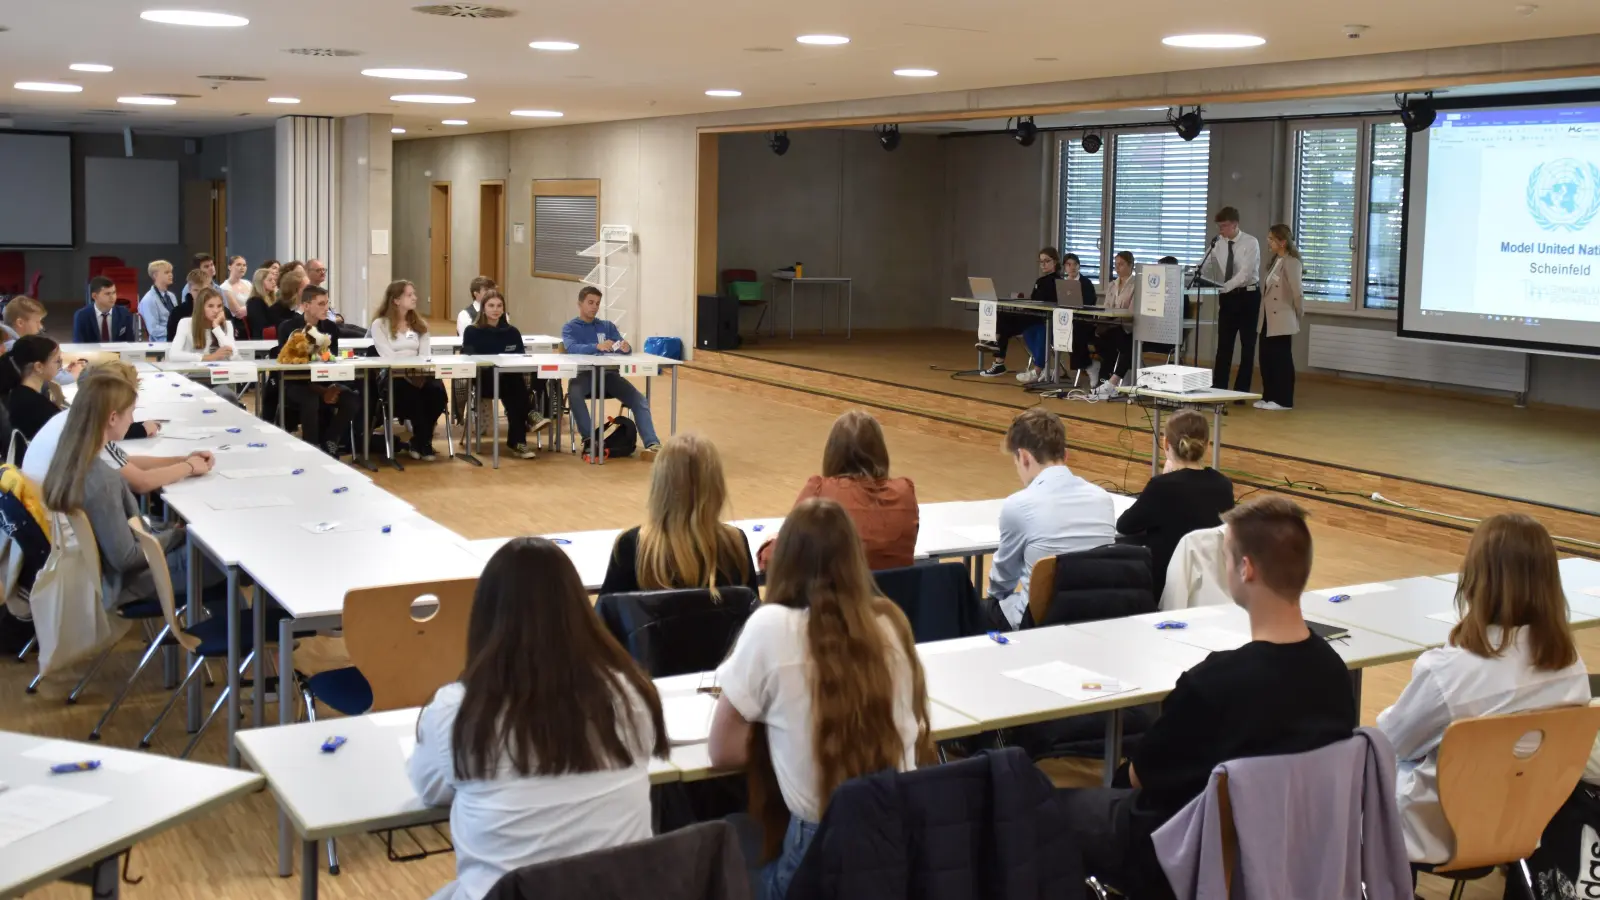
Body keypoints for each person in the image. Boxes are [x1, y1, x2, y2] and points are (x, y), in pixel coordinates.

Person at [1060, 496, 1358, 898]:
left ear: (1246, 569)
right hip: (1289, 855)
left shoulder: (1213, 684)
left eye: (1226, 556)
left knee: (1049, 809)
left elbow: (1139, 777)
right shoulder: (1336, 675)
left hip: (1191, 852)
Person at [410, 537, 668, 900]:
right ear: (578, 610)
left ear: (485, 617)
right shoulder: (630, 695)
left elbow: (429, 788)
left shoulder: (457, 712)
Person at [708, 498, 934, 899]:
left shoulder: (770, 626)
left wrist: (784, 738)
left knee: (719, 844)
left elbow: (722, 750)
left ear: (785, 562)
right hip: (899, 848)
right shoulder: (890, 624)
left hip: (816, 859)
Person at [1377, 513, 1588, 865]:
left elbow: (1393, 742)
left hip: (1433, 832)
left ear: (1476, 580)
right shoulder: (1571, 668)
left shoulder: (1450, 672)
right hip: (1522, 823)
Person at [40, 371, 217, 610]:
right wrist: (177, 535)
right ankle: (249, 634)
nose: (132, 419)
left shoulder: (74, 454)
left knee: (214, 546)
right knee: (227, 552)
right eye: (131, 413)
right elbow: (125, 557)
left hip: (115, 574)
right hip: (133, 581)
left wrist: (183, 461)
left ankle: (232, 637)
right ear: (113, 418)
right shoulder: (101, 479)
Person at [986, 407, 1117, 630]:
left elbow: (1002, 582)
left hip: (1039, 620)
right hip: (1097, 615)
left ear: (1025, 458)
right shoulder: (1103, 499)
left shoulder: (1018, 505)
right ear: (1065, 456)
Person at [599, 432, 760, 596]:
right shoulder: (734, 545)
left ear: (659, 486)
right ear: (717, 488)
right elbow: (752, 613)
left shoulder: (631, 546)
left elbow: (604, 615)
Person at [760, 410, 918, 571]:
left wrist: (771, 543)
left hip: (840, 596)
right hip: (897, 596)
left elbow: (775, 560)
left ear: (832, 453)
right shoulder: (905, 491)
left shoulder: (819, 490)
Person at [22, 360, 206, 496]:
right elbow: (141, 482)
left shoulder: (80, 416)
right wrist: (188, 467)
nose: (132, 419)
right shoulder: (90, 432)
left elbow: (125, 461)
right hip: (57, 524)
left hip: (44, 511)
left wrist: (182, 459)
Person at [1114, 410, 1235, 601]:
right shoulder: (1224, 485)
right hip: (1211, 588)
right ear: (1207, 445)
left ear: (1165, 444)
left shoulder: (1162, 487)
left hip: (1166, 587)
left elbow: (1124, 525)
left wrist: (1163, 477)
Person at [561, 286, 662, 461]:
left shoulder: (607, 326)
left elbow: (623, 348)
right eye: (590, 302)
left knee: (638, 398)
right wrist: (595, 346)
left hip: (609, 376)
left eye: (597, 303)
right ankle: (589, 439)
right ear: (580, 304)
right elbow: (571, 348)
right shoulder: (570, 327)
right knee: (574, 392)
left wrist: (625, 347)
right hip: (585, 375)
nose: (594, 307)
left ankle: (652, 444)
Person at [460, 289, 548, 459]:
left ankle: (519, 441)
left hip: (509, 381)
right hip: (484, 381)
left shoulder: (512, 332)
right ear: (483, 308)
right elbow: (468, 359)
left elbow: (521, 357)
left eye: (499, 306)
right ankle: (527, 421)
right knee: (515, 388)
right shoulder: (472, 331)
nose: (496, 309)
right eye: (491, 305)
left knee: (514, 386)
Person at [276, 285, 360, 457]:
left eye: (327, 303)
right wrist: (322, 391)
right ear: (306, 305)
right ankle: (311, 447)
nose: (326, 308)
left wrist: (334, 386)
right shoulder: (288, 327)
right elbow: (288, 365)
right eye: (321, 304)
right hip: (297, 384)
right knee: (311, 399)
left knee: (351, 398)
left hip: (325, 381)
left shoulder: (330, 327)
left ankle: (331, 440)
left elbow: (332, 359)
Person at [371, 279, 446, 461]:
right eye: (409, 295)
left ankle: (419, 441)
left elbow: (425, 354)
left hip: (420, 372)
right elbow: (387, 355)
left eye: (414, 294)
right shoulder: (380, 324)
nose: (415, 298)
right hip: (394, 375)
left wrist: (420, 372)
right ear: (396, 300)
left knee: (438, 394)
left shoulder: (420, 325)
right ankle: (424, 443)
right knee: (412, 397)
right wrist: (407, 372)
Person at [1201, 207, 1262, 395]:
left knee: (1247, 345)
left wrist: (1225, 286)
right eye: (1219, 227)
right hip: (1228, 299)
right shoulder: (1218, 243)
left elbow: (1246, 274)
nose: (1221, 230)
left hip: (1248, 296)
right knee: (1224, 344)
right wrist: (1195, 274)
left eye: (1225, 226)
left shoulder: (1250, 242)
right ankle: (1219, 386)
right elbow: (1204, 264)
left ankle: (1241, 390)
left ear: (1235, 225)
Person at [1019, 251, 1100, 386]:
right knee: (1033, 329)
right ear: (1064, 267)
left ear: (1079, 266)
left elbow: (1089, 304)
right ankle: (1045, 366)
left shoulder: (1086, 283)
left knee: (1074, 336)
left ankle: (1089, 366)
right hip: (1063, 321)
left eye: (1075, 264)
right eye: (1068, 264)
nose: (1072, 267)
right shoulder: (1061, 283)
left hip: (1082, 322)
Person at [978, 248, 1059, 378]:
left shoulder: (1056, 281)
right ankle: (997, 353)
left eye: (1046, 261)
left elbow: (1048, 302)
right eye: (1041, 261)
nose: (1043, 264)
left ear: (1054, 262)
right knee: (1003, 316)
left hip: (1041, 317)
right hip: (1032, 314)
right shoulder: (1040, 281)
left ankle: (996, 346)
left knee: (1004, 318)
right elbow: (1035, 300)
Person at [1256, 224, 1303, 412]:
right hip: (1268, 317)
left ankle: (1283, 400)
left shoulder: (1292, 262)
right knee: (1266, 357)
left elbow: (1297, 292)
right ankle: (1269, 396)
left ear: (1282, 242)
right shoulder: (1275, 260)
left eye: (1271, 239)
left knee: (1280, 359)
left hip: (1282, 318)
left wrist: (1298, 313)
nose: (1268, 242)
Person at [2, 335, 66, 453]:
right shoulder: (33, 404)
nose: (60, 366)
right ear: (38, 367)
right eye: (57, 361)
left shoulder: (19, 394)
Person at [1088, 250, 1138, 400]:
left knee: (1116, 339)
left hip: (1128, 327)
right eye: (1116, 264)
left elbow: (1131, 311)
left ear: (1131, 265)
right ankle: (1106, 380)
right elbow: (1107, 306)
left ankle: (1109, 381)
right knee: (1096, 335)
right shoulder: (1112, 285)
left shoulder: (1136, 285)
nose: (1117, 268)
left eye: (1121, 264)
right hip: (1111, 324)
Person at [3, 297, 84, 386]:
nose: (41, 327)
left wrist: (58, 369)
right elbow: (59, 380)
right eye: (37, 321)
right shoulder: (16, 347)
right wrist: (77, 372)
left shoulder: (6, 339)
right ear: (20, 323)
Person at [72, 276, 137, 344]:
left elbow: (130, 343)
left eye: (114, 293)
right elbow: (78, 345)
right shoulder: (81, 316)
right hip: (92, 354)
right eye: (107, 294)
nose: (113, 297)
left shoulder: (124, 313)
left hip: (118, 353)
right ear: (95, 296)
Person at [137, 259, 181, 342]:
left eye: (171, 272)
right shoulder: (149, 299)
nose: (171, 275)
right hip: (161, 342)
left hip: (175, 338)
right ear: (155, 275)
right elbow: (153, 330)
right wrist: (177, 331)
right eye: (166, 272)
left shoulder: (171, 296)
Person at [246, 266, 285, 339]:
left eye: (274, 280)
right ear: (260, 282)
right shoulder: (254, 302)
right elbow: (261, 326)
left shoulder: (272, 300)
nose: (274, 282)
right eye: (270, 280)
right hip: (262, 341)